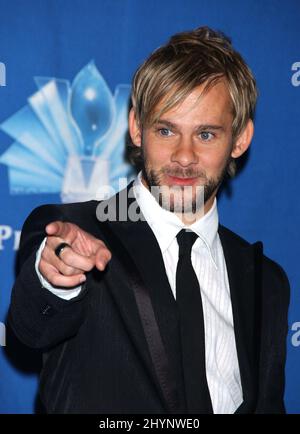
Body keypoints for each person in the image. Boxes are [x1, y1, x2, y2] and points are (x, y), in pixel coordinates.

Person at [8, 26, 290, 414]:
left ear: (240, 139)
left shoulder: (267, 282)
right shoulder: (79, 232)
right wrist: (57, 278)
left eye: (206, 134)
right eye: (165, 130)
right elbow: (31, 328)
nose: (185, 156)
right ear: (136, 128)